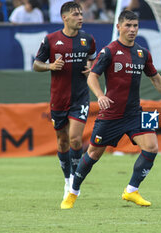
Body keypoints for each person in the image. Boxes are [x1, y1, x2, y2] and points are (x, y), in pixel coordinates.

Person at [61, 10, 161, 209]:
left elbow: (156, 78)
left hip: (136, 112)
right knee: (93, 155)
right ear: (119, 27)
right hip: (111, 115)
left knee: (152, 147)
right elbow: (92, 76)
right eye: (128, 25)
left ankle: (131, 190)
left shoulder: (143, 53)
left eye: (135, 26)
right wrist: (100, 96)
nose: (132, 29)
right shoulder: (109, 51)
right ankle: (72, 193)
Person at [33, 1, 96, 200]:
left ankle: (75, 182)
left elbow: (93, 59)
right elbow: (36, 64)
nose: (80, 17)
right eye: (76, 14)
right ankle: (67, 180)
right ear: (64, 17)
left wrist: (90, 68)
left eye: (81, 14)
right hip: (58, 99)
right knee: (62, 142)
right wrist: (50, 66)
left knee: (76, 138)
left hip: (80, 97)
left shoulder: (88, 39)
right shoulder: (51, 40)